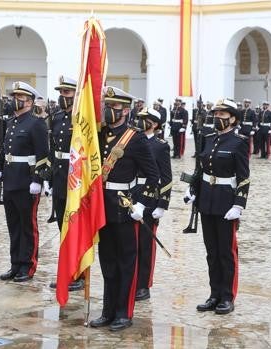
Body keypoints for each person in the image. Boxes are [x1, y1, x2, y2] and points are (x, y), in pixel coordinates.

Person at [88, 86, 158, 332]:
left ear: (125, 110)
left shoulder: (135, 138)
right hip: (102, 207)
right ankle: (108, 311)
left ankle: (123, 312)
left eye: (114, 107)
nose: (109, 110)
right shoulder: (100, 134)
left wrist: (140, 203)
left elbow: (153, 177)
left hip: (124, 208)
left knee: (126, 261)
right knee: (107, 261)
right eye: (107, 105)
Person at [184, 98, 249, 316]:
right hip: (207, 201)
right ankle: (214, 294)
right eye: (216, 114)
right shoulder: (207, 138)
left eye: (222, 115)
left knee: (226, 252)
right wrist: (192, 190)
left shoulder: (239, 142)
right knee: (211, 252)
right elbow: (200, 169)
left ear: (233, 119)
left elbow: (243, 177)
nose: (217, 118)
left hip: (225, 201)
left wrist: (239, 205)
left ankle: (227, 296)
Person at [0, 81, 49, 283]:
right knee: (13, 225)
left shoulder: (37, 124)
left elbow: (43, 155)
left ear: (30, 101)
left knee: (27, 225)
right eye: (14, 96)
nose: (14, 100)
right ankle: (15, 263)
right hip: (10, 179)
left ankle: (28, 265)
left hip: (26, 181)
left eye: (19, 97)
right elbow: (5, 149)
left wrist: (38, 180)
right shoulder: (11, 122)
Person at [45, 76, 84, 291]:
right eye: (60, 93)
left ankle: (78, 274)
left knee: (75, 228)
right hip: (60, 178)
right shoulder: (58, 117)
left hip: (76, 181)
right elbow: (54, 150)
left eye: (66, 93)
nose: (62, 97)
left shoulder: (82, 118)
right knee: (63, 227)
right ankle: (66, 271)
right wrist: (50, 178)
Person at [132, 107, 172, 302]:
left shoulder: (160, 146)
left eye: (144, 119)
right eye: (139, 118)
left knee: (146, 244)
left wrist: (162, 204)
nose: (139, 121)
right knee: (130, 243)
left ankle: (143, 284)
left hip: (150, 197)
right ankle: (131, 281)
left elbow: (166, 177)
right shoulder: (131, 140)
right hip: (131, 194)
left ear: (154, 124)